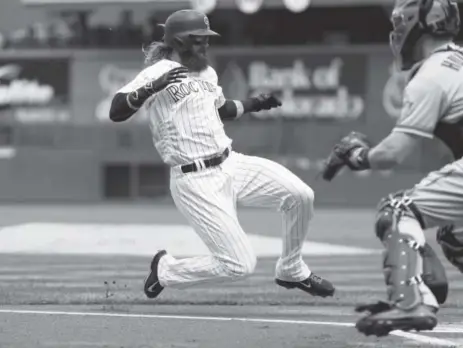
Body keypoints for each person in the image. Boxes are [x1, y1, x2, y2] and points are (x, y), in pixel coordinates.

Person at [109, 9, 335, 301]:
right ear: (179, 41)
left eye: (206, 39)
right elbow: (117, 110)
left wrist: (254, 104)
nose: (205, 45)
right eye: (198, 39)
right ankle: (165, 270)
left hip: (231, 163)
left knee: (300, 195)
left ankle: (291, 269)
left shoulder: (206, 72)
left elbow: (219, 108)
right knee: (239, 264)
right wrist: (150, 88)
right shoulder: (156, 72)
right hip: (194, 179)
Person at [320, 0, 461, 337]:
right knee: (454, 234)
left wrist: (356, 155)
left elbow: (392, 154)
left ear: (415, 26)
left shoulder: (432, 74)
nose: (396, 32)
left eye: (400, 24)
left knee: (397, 210)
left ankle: (411, 300)